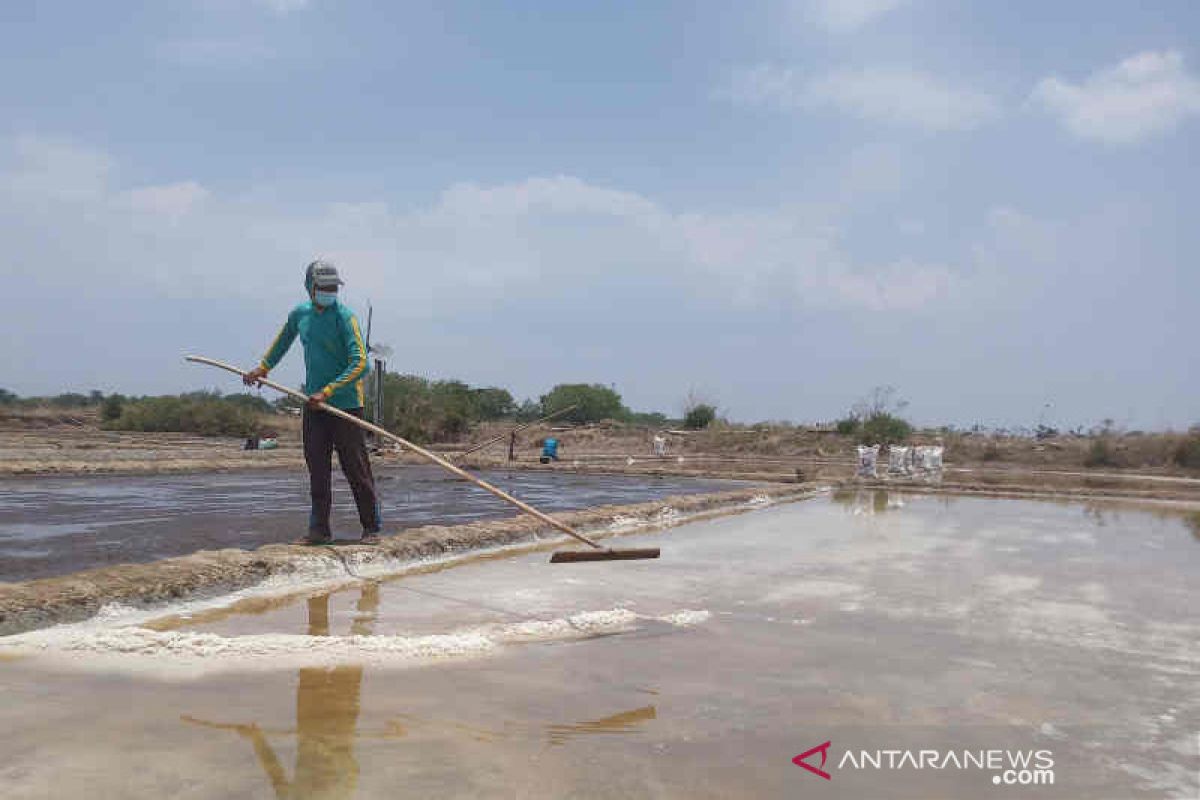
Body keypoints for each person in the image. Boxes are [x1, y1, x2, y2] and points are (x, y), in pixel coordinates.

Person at [243, 260, 382, 544]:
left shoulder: (345, 317)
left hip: (344, 406)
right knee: (317, 469)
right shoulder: (301, 314)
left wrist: (329, 391)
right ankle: (319, 530)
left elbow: (361, 364)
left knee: (356, 468)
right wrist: (263, 367)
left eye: (333, 288)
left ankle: (371, 528)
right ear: (310, 287)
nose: (329, 292)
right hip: (314, 405)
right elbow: (282, 342)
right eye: (324, 287)